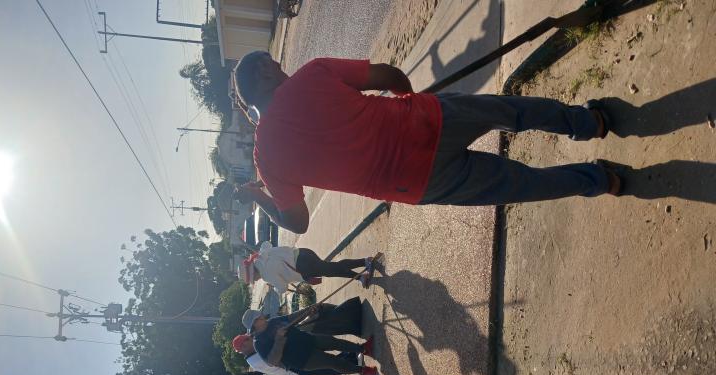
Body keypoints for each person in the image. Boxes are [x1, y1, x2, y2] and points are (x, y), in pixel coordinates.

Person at [232, 52, 622, 234]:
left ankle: (601, 180)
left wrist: (259, 198)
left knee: (521, 185)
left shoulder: (266, 160)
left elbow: (297, 223)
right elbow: (389, 75)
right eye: (274, 63)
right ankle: (591, 122)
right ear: (263, 71)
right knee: (510, 112)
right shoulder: (312, 73)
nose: (280, 66)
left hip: (416, 182)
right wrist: (408, 99)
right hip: (426, 121)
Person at [242, 306, 377, 375]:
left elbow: (291, 318)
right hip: (304, 359)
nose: (262, 316)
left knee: (335, 342)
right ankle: (362, 370)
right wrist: (279, 339)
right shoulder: (259, 343)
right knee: (333, 362)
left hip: (307, 339)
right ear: (255, 324)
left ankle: (364, 349)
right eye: (259, 317)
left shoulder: (272, 322)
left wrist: (308, 311)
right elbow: (272, 361)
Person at [240, 242, 375, 291]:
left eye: (254, 279)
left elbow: (282, 287)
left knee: (333, 269)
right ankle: (360, 276)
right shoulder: (262, 254)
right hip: (302, 253)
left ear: (253, 273)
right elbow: (266, 243)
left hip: (302, 267)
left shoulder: (266, 274)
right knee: (332, 270)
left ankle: (364, 262)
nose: (256, 280)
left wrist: (275, 289)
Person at [231, 333, 359, 375]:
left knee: (326, 362)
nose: (252, 339)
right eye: (249, 339)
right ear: (244, 346)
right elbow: (276, 359)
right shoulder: (255, 360)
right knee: (327, 368)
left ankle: (350, 358)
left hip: (292, 363)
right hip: (294, 369)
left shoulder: (254, 355)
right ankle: (353, 364)